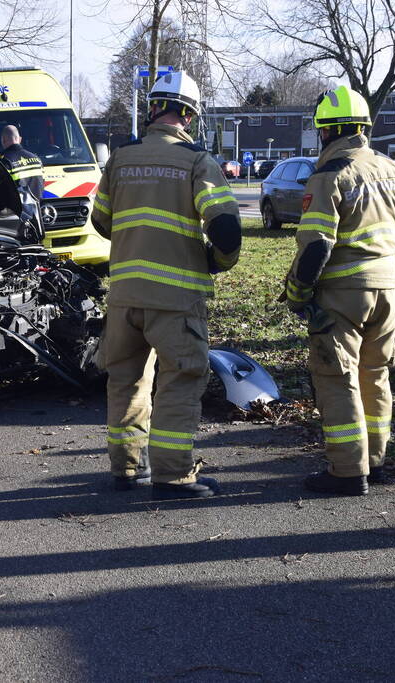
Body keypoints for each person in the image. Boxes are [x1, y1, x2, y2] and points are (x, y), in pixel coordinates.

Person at [91, 71, 242, 500]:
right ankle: (173, 477)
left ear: (153, 108)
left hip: (124, 296)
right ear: (189, 117)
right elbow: (227, 229)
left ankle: (126, 470)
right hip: (175, 300)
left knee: (126, 380)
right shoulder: (197, 162)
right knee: (181, 379)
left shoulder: (120, 158)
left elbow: (101, 220)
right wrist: (216, 261)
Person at [282, 85, 395, 496]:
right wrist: (392, 273)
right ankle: (374, 462)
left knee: (337, 377)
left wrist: (297, 293)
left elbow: (317, 245)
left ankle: (346, 470)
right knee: (375, 375)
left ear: (327, 132)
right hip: (388, 291)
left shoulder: (329, 176)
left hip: (343, 295)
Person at [0, 125, 45, 240]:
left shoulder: (4, 161)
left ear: (3, 140)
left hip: (17, 222)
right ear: (20, 139)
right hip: (37, 217)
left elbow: (0, 191)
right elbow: (42, 185)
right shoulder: (36, 159)